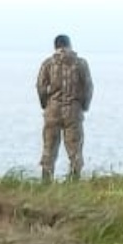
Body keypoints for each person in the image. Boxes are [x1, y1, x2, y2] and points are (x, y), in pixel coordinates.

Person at [35, 34, 93, 182]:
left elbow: (40, 87)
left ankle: (46, 182)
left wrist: (45, 104)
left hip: (52, 111)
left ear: (55, 46)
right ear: (69, 45)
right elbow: (88, 87)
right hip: (73, 111)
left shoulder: (48, 64)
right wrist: (84, 106)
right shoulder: (80, 64)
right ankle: (74, 181)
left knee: (49, 148)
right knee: (75, 149)